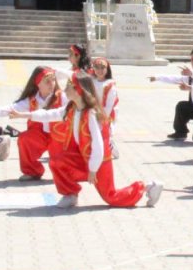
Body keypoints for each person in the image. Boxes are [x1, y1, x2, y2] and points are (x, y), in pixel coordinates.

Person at [16, 72, 163, 208]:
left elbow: (98, 145)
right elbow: (51, 114)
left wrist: (92, 170)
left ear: (78, 90)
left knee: (111, 197)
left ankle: (147, 186)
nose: (64, 89)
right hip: (83, 156)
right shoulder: (73, 107)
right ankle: (70, 194)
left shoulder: (91, 113)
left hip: (99, 161)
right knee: (57, 161)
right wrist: (24, 115)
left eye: (68, 86)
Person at [0, 66, 66, 182]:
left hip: (61, 136)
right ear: (38, 83)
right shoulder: (31, 100)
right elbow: (11, 108)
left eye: (53, 80)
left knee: (65, 168)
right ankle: (32, 172)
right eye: (47, 81)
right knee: (24, 139)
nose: (52, 84)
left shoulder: (63, 97)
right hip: (40, 135)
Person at [150, 49, 193, 142]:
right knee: (182, 106)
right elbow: (176, 79)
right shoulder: (192, 75)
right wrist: (158, 77)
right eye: (192, 60)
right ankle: (181, 132)